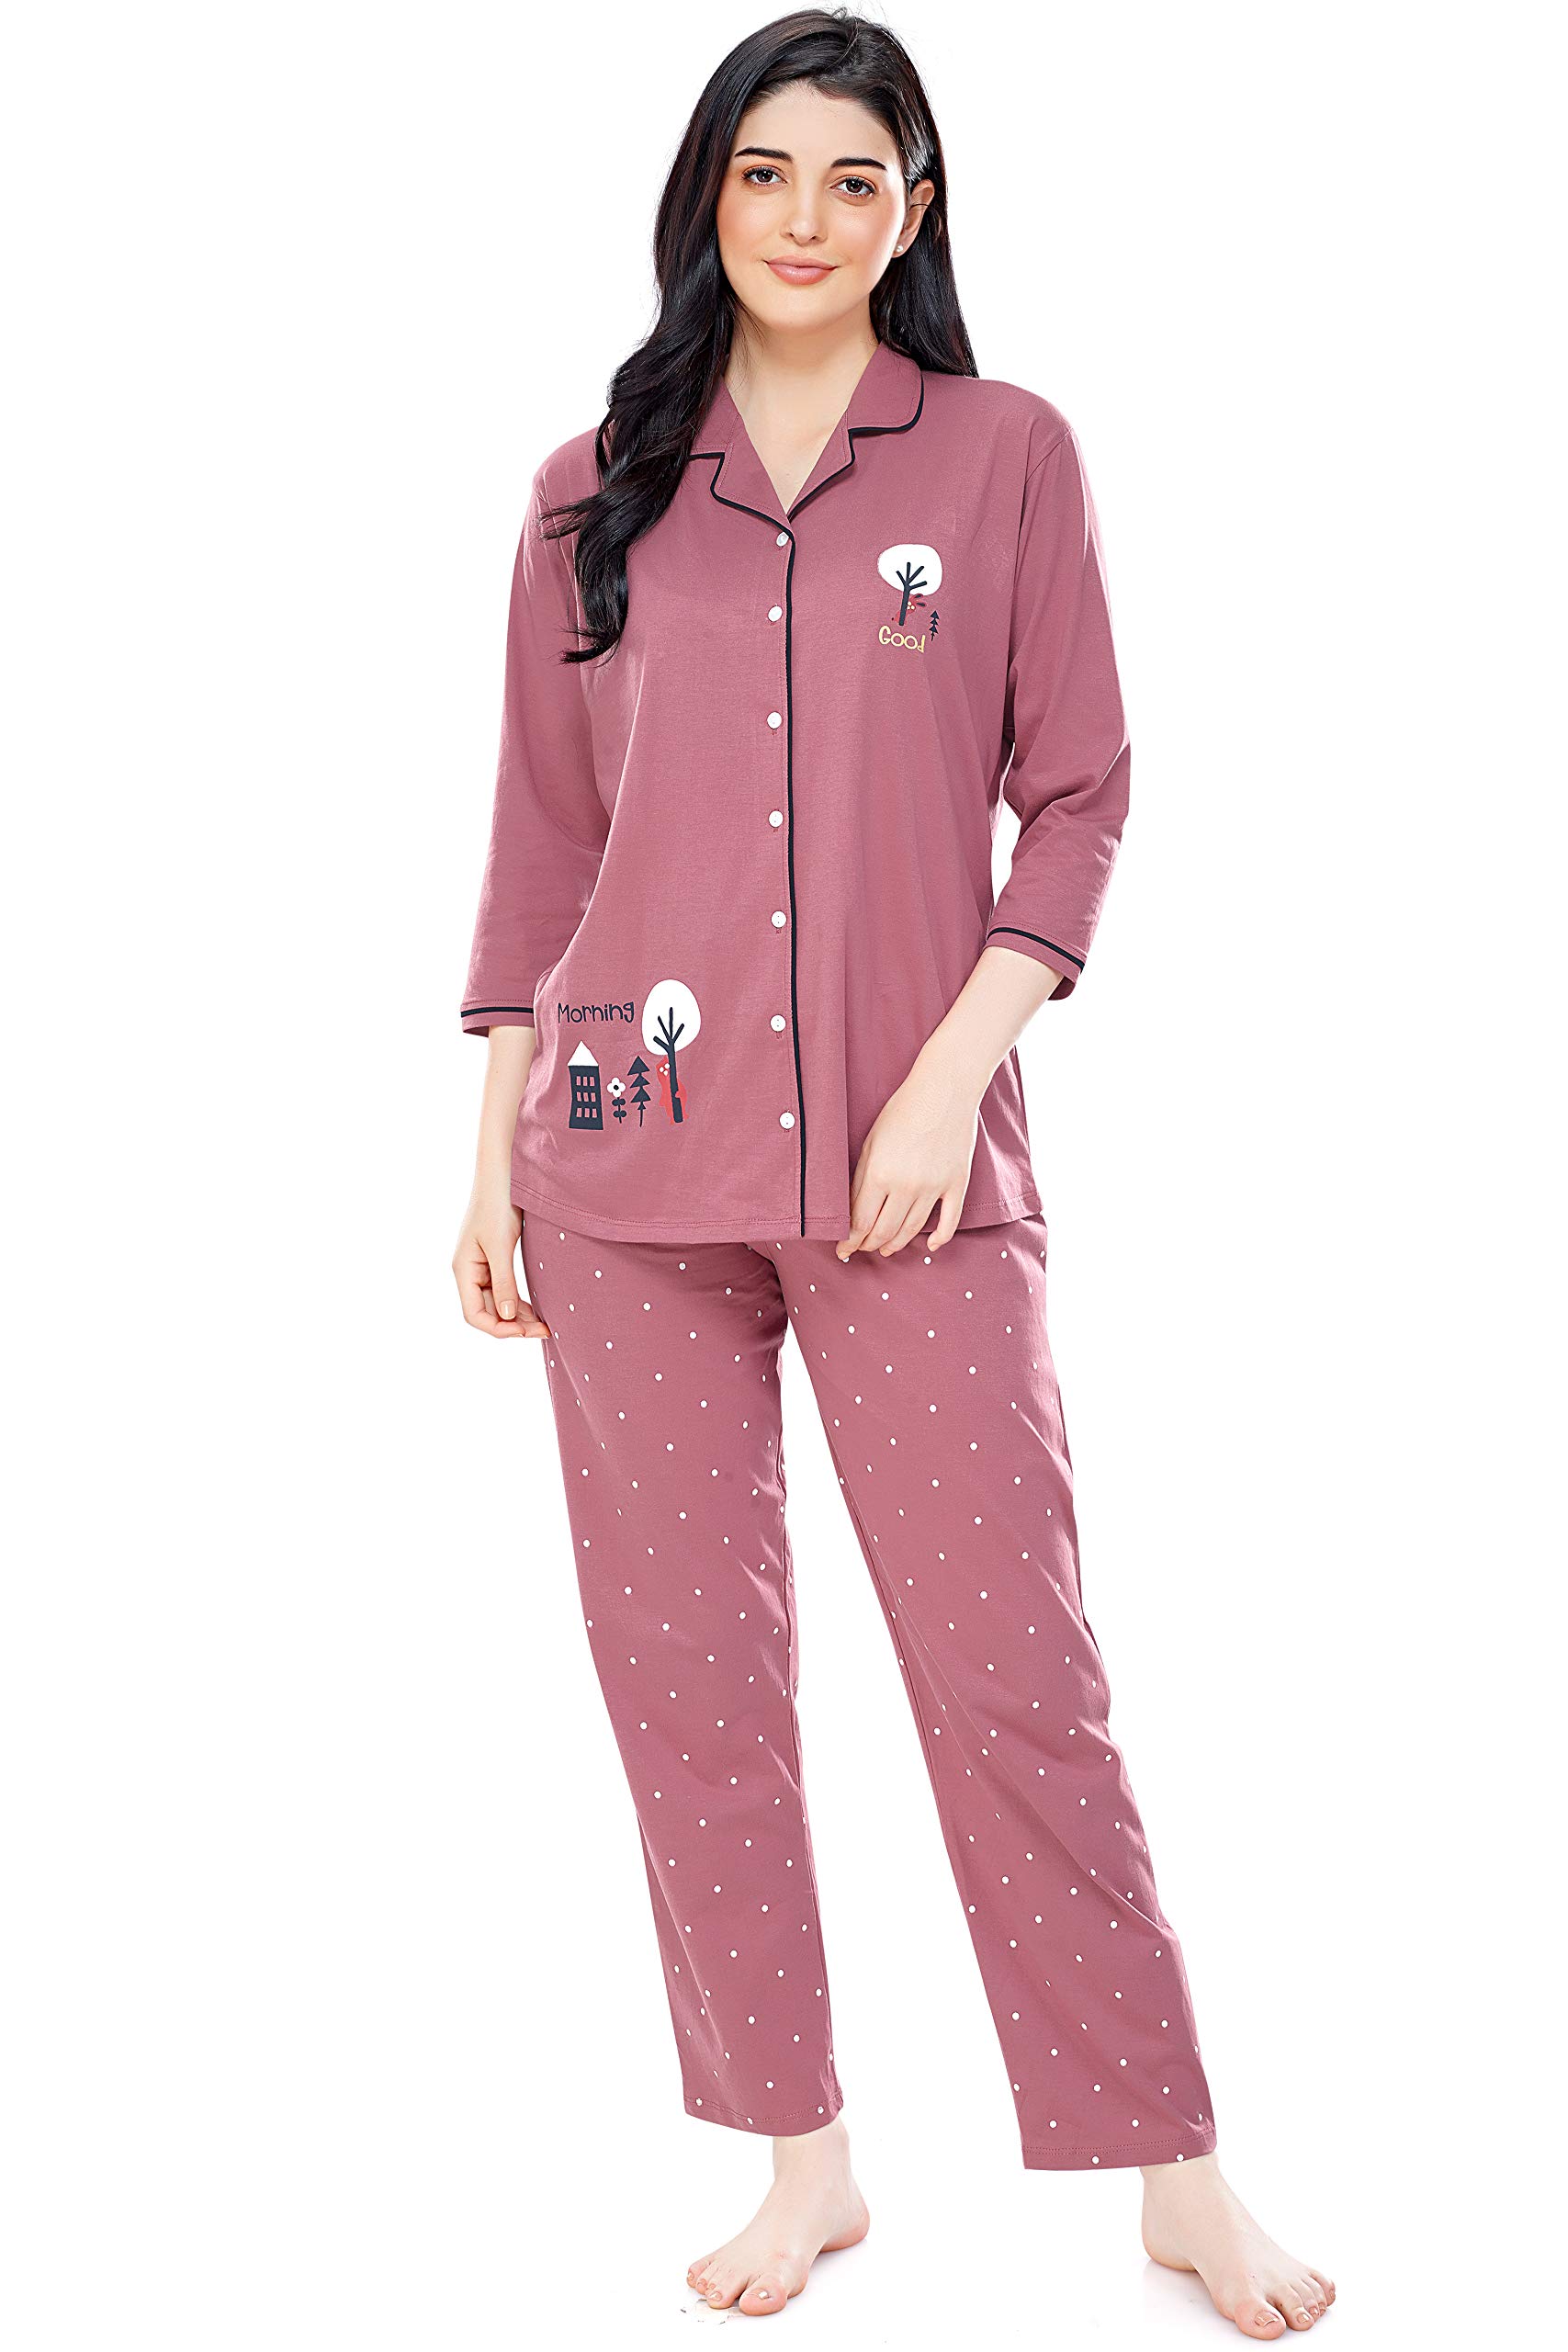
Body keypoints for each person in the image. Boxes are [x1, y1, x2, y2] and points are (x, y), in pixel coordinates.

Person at [452, 9, 1335, 2335]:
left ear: (912, 209)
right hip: (619, 1163)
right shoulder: (586, 487)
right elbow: (541, 841)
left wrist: (951, 1075)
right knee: (687, 1678)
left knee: (1010, 1670)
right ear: (706, 197)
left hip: (907, 1170)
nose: (804, 217)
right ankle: (801, 2151)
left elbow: (1083, 790)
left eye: (853, 178)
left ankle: (1169, 2166)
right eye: (763, 172)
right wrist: (484, 1155)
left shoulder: (1005, 452)